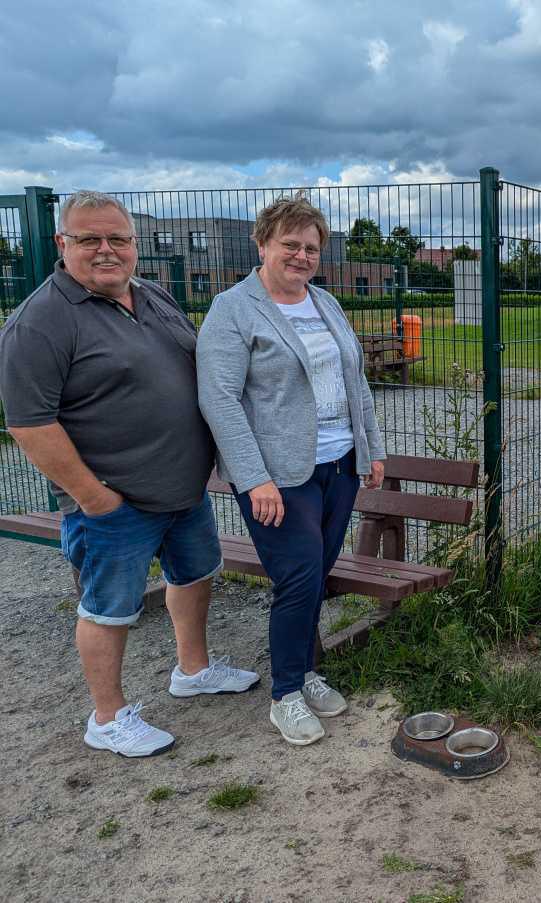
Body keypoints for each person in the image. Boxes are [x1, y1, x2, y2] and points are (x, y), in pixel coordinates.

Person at [0, 191, 259, 758]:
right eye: (89, 239)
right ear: (62, 243)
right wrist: (93, 498)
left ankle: (193, 670)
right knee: (108, 608)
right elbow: (29, 425)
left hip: (182, 491)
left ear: (134, 245)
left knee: (193, 576)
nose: (105, 250)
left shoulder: (153, 296)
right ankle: (108, 718)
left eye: (117, 238)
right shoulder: (41, 322)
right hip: (115, 503)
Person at [196, 196, 386, 745]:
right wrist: (254, 478)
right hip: (277, 475)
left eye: (311, 248)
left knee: (315, 571)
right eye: (290, 245)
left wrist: (370, 449)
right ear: (262, 245)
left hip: (338, 464)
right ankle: (285, 695)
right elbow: (221, 400)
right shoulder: (233, 310)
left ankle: (306, 673)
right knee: (299, 576)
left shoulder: (324, 302)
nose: (301, 256)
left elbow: (357, 383)